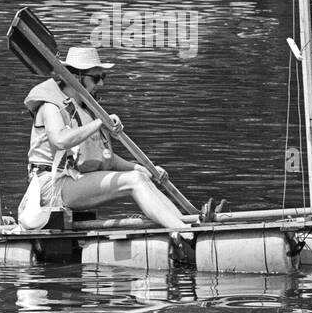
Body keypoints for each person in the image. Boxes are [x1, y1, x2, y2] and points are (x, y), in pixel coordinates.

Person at [23, 47, 192, 242]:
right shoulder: (51, 105)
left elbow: (105, 157)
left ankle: (183, 224)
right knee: (133, 181)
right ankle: (185, 233)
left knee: (139, 177)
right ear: (77, 77)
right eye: (96, 78)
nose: (101, 83)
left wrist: (146, 169)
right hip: (51, 186)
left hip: (74, 180)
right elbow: (60, 140)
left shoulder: (86, 109)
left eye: (103, 76)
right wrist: (100, 123)